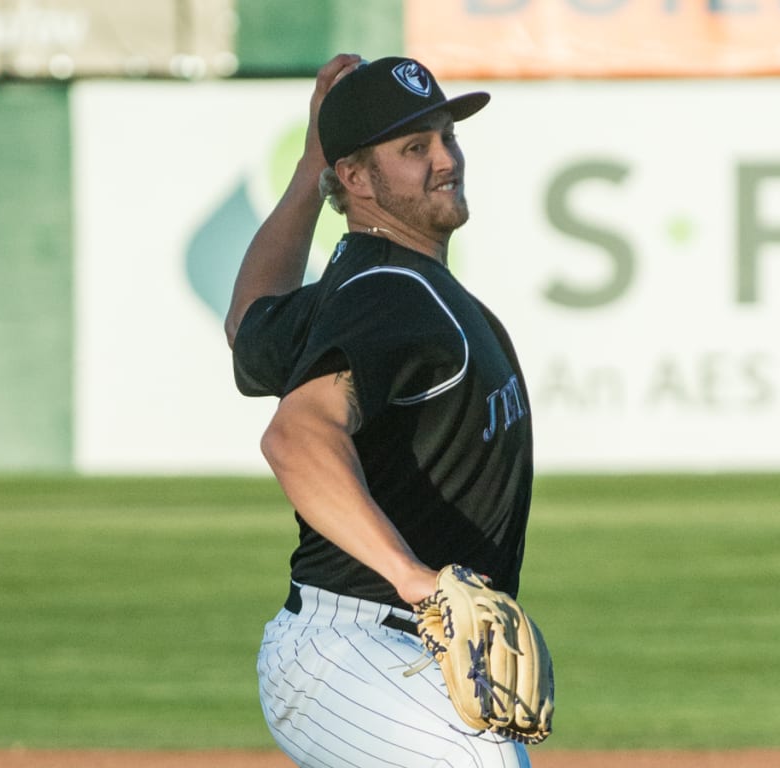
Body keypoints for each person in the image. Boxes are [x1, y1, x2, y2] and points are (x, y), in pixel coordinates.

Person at [224, 54, 537, 767]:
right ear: (358, 182)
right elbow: (296, 437)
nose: (446, 160)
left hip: (369, 650)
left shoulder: (358, 285)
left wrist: (312, 165)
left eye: (445, 138)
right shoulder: (393, 293)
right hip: (359, 649)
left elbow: (248, 321)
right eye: (413, 148)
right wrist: (417, 581)